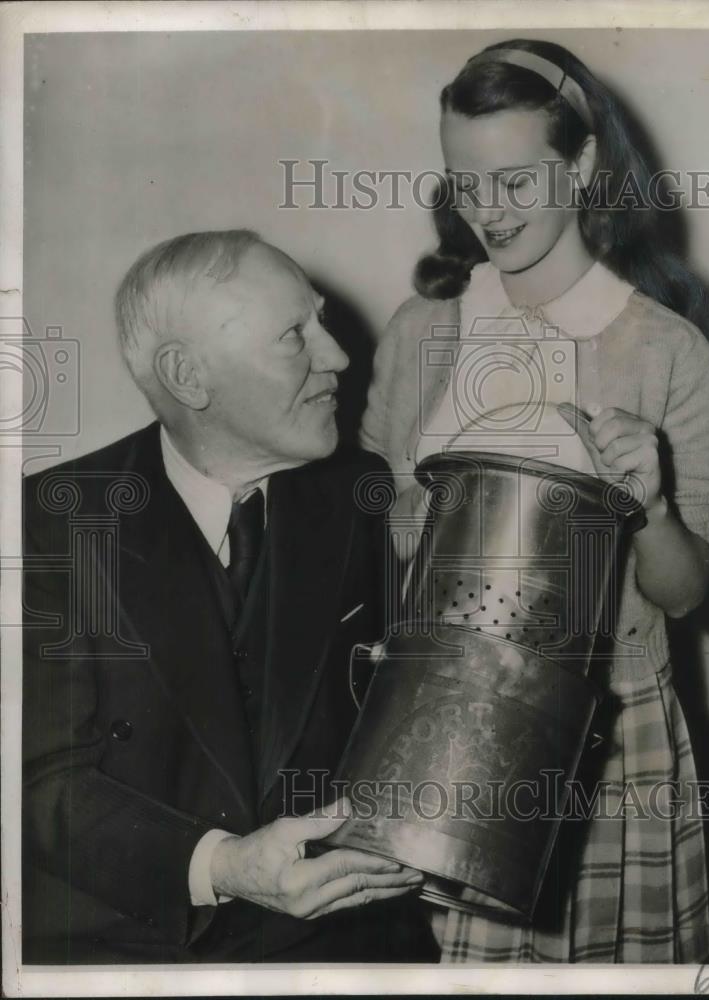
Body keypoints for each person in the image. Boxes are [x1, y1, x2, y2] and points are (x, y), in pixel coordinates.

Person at [361, 39, 709, 963]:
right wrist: (415, 509)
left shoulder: (666, 350)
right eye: (465, 183)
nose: (488, 211)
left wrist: (651, 506)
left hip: (611, 738)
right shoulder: (419, 334)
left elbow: (684, 595)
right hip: (428, 727)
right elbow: (369, 530)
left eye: (517, 182)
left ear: (584, 164)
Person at [22, 229, 438, 964]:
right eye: (294, 336)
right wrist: (220, 867)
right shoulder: (46, 524)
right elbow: (35, 783)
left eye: (322, 322)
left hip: (342, 947)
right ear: (188, 376)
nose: (338, 357)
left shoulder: (363, 498)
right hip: (131, 954)